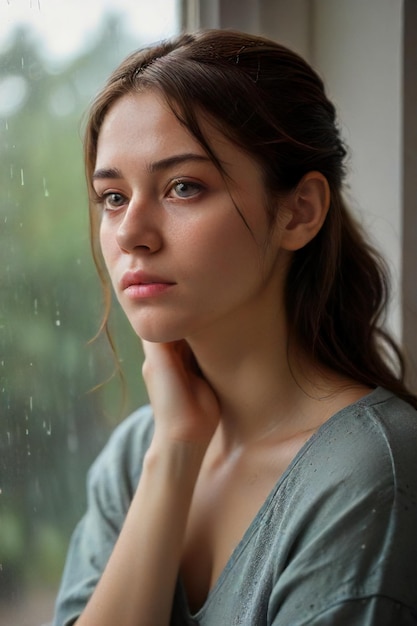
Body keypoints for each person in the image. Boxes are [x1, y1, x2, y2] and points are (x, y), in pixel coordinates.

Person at [52, 29, 417, 626]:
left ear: (299, 212)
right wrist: (175, 449)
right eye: (112, 197)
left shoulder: (371, 470)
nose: (129, 233)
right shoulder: (136, 454)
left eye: (184, 187)